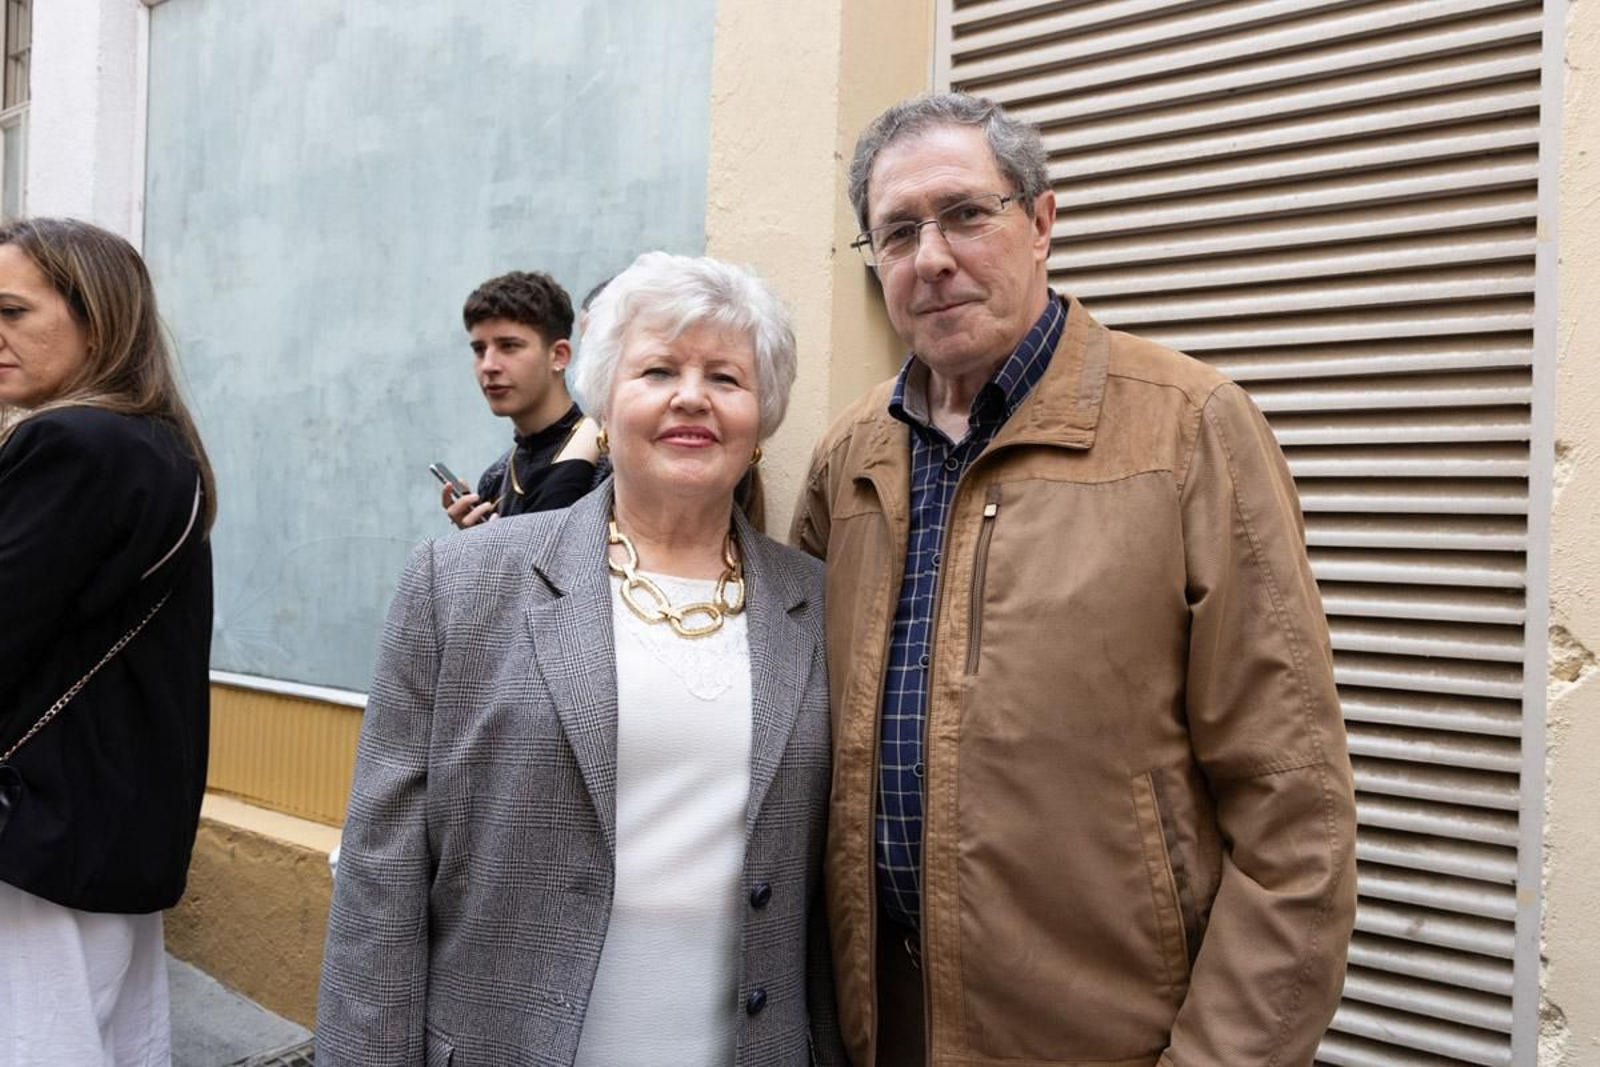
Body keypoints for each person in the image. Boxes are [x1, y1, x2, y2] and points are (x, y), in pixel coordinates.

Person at [790, 92, 1358, 1067]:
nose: (931, 257)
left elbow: (1292, 813)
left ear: (1042, 220)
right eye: (896, 232)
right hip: (879, 1032)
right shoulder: (848, 462)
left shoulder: (1188, 430)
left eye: (967, 213)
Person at [318, 251, 845, 1066]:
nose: (691, 397)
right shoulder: (458, 582)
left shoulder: (815, 603)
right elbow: (381, 874)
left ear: (762, 411)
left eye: (727, 378)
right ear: (605, 392)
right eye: (658, 368)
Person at [0, 217, 215, 1065]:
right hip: (109, 824)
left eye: (14, 311)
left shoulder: (73, 442)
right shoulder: (155, 445)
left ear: (98, 315)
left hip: (39, 831)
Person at [442, 270, 600, 527]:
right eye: (479, 350)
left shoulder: (606, 464)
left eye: (509, 346)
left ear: (559, 355)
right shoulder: (496, 478)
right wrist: (475, 545)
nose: (488, 366)